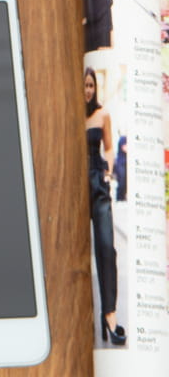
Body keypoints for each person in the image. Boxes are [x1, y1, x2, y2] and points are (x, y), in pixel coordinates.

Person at [85, 67, 125, 346]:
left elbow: (109, 147)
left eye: (90, 85)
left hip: (97, 182)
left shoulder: (102, 115)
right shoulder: (71, 113)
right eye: (84, 86)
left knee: (106, 247)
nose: (87, 90)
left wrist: (108, 173)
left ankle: (109, 315)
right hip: (75, 183)